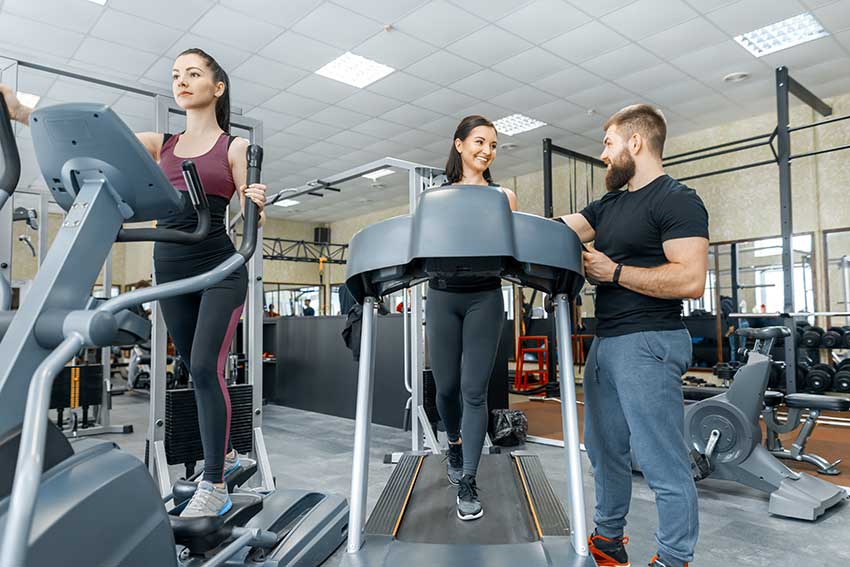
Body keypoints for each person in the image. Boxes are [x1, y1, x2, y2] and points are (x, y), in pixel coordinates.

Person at [1, 48, 268, 518]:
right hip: (171, 270)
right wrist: (21, 112)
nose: (181, 81)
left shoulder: (234, 149)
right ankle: (223, 451)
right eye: (175, 75)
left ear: (217, 87)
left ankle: (214, 483)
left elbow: (245, 213)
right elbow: (91, 141)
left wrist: (256, 200)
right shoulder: (158, 144)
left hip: (219, 269)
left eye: (193, 74)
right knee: (190, 367)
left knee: (206, 367)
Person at [559, 104, 708, 567]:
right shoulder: (609, 205)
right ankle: (607, 540)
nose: (603, 155)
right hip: (606, 343)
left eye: (608, 143)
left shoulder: (676, 199)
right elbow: (559, 230)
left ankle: (673, 556)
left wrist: (615, 271)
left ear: (636, 142)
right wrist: (496, 207)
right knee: (604, 452)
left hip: (650, 339)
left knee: (661, 460)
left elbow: (690, 280)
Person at [426, 115, 517, 522]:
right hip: (443, 296)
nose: (487, 150)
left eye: (493, 145)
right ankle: (456, 444)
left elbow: (514, 248)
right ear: (459, 144)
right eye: (480, 141)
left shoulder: (503, 196)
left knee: (473, 391)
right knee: (445, 388)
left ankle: (468, 477)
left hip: (485, 296)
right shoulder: (436, 198)